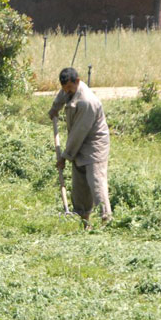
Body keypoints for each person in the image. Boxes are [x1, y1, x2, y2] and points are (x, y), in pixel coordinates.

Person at [49, 67, 112, 230]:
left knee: (96, 181)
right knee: (80, 184)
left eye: (69, 87)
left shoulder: (87, 102)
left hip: (93, 144)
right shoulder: (69, 90)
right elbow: (63, 95)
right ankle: (85, 222)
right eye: (64, 88)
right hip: (78, 142)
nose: (66, 91)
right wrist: (55, 108)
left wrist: (65, 156)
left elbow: (78, 133)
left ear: (77, 81)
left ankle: (106, 220)